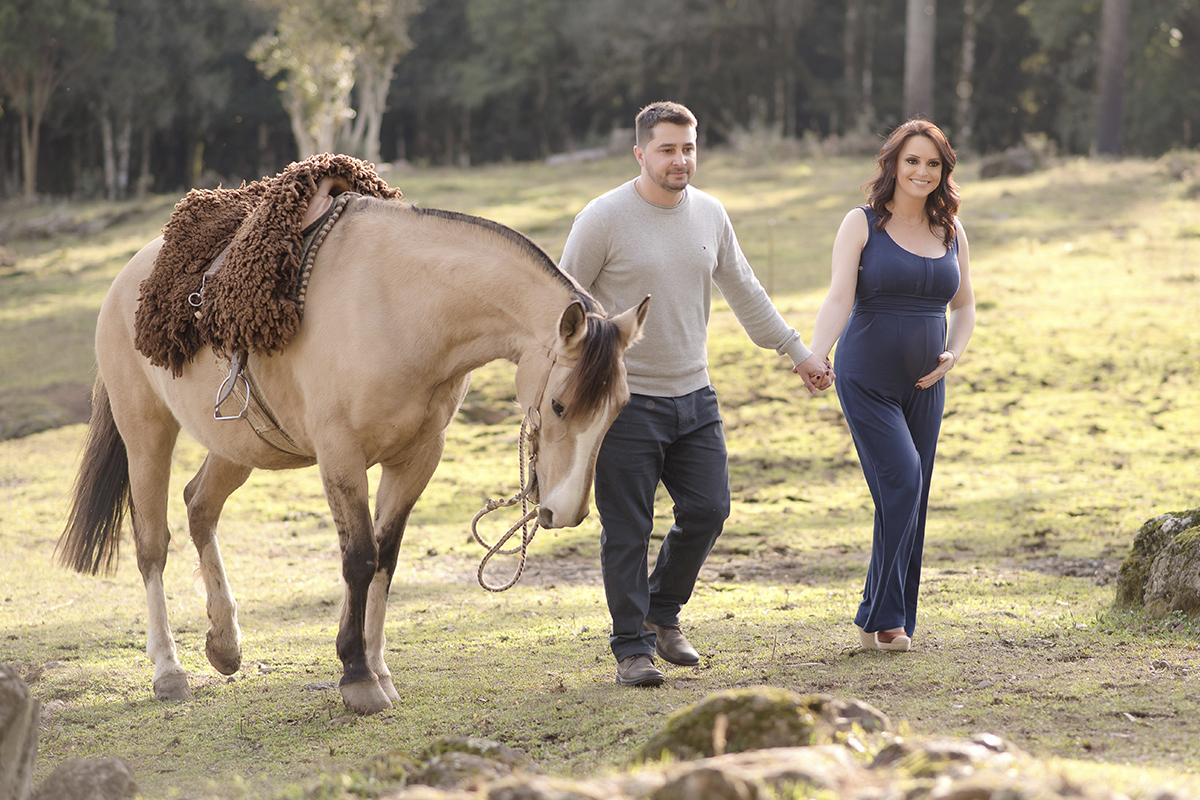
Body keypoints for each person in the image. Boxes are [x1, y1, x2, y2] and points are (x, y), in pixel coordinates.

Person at [559, 100, 832, 687]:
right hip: (625, 404)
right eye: (666, 149)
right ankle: (631, 647)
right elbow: (565, 309)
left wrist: (797, 351)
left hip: (695, 395)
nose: (680, 159)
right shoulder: (602, 218)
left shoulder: (710, 213)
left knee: (710, 510)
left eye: (688, 147)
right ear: (640, 153)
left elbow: (746, 289)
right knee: (627, 530)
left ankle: (662, 612)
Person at [801, 118, 976, 652]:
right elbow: (838, 298)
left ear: (943, 170)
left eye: (932, 163)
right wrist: (817, 352)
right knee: (903, 478)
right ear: (893, 166)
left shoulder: (951, 230)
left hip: (927, 383)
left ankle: (889, 614)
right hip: (867, 377)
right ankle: (882, 615)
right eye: (912, 161)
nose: (922, 171)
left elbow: (965, 306)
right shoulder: (862, 224)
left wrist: (954, 355)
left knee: (910, 495)